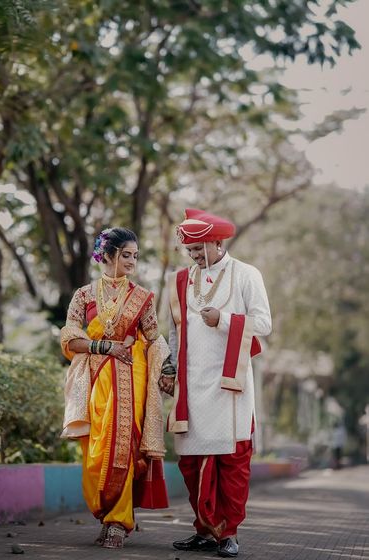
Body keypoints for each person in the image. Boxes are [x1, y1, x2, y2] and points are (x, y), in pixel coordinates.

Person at [159, 208, 272, 558]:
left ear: (218, 242)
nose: (193, 256)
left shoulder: (245, 274)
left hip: (230, 386)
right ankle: (205, 530)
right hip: (190, 386)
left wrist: (223, 319)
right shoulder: (180, 280)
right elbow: (175, 332)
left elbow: (264, 324)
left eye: (199, 248)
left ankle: (229, 534)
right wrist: (169, 368)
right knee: (191, 463)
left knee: (231, 462)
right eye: (189, 250)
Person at [60, 227, 174, 549]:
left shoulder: (142, 298)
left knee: (123, 445)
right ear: (108, 255)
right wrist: (104, 348)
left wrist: (166, 368)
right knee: (95, 450)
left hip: (131, 378)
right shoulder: (83, 295)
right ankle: (106, 511)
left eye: (135, 256)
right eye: (126, 255)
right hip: (95, 379)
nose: (132, 262)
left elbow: (154, 339)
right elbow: (69, 337)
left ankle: (119, 521)